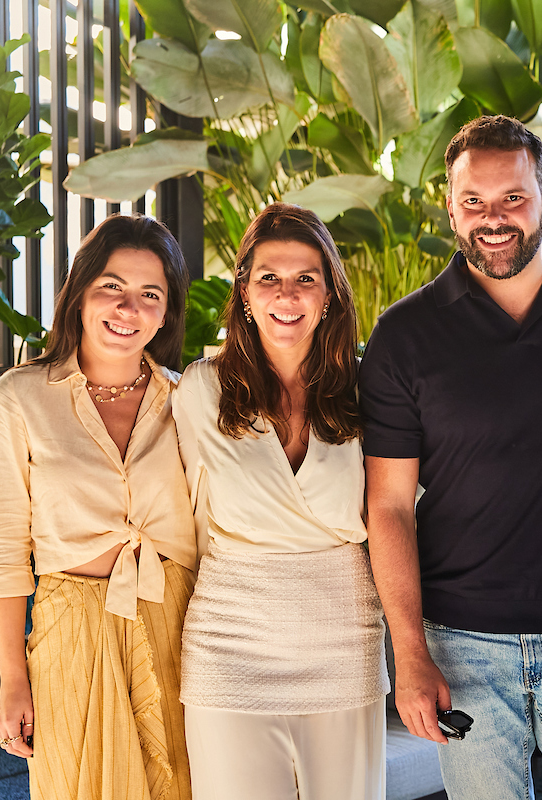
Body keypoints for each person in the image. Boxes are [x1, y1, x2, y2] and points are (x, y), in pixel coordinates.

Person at [358, 115, 542, 799]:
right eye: (473, 202)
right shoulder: (404, 335)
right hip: (462, 641)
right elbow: (390, 506)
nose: (493, 219)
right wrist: (410, 653)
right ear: (451, 209)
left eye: (512, 199)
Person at [172, 203, 388, 800]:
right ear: (244, 291)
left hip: (343, 640)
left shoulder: (373, 389)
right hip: (228, 644)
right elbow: (186, 516)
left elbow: (401, 512)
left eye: (305, 279)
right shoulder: (199, 390)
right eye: (268, 277)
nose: (286, 294)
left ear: (329, 297)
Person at [0, 215, 195, 800]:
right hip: (70, 627)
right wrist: (12, 680)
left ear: (167, 312)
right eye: (111, 287)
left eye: (150, 294)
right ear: (79, 293)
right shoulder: (17, 399)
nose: (128, 309)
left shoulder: (191, 399)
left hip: (178, 622)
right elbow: (1, 548)